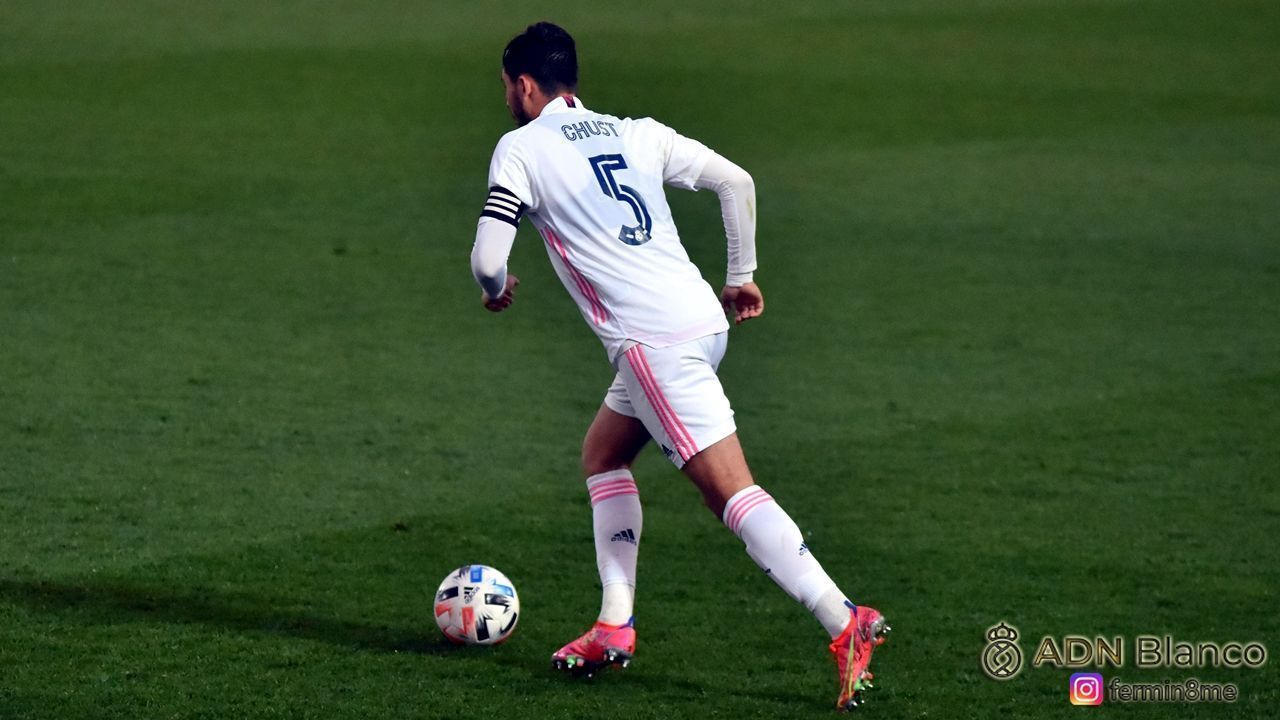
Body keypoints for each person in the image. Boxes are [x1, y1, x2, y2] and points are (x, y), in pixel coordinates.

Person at [470, 21, 890, 711]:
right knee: (604, 455)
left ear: (523, 85)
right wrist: (741, 275)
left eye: (505, 87)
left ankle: (844, 620)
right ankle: (614, 623)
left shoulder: (520, 149)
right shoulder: (635, 131)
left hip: (653, 344)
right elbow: (735, 181)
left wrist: (495, 290)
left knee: (729, 492)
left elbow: (489, 259)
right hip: (702, 321)